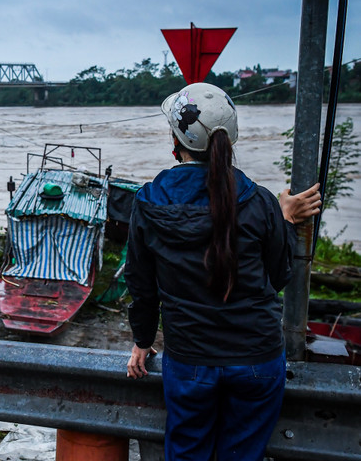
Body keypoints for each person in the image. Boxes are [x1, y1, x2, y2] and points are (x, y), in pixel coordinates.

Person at [123, 82, 322, 461]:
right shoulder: (259, 201)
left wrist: (142, 341)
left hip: (190, 359)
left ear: (176, 140)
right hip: (258, 359)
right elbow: (278, 276)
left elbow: (141, 285)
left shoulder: (148, 202)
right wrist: (283, 219)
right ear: (230, 140)